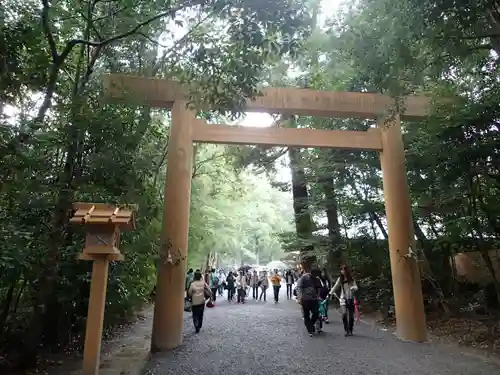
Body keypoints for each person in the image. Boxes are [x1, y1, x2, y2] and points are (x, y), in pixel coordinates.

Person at [329, 265, 358, 337]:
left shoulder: (351, 278)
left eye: (344, 270)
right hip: (343, 298)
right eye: (341, 270)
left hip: (350, 298)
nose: (343, 271)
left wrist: (353, 288)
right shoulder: (340, 279)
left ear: (347, 271)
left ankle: (350, 330)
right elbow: (335, 286)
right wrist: (330, 294)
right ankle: (346, 330)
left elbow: (356, 287)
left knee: (351, 316)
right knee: (344, 314)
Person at [296, 267, 322, 337]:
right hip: (305, 299)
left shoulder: (317, 279)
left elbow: (319, 288)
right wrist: (299, 297)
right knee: (306, 314)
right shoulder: (304, 278)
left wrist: (318, 296)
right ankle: (310, 329)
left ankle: (311, 324)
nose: (317, 275)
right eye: (316, 274)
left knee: (316, 313)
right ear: (312, 273)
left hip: (314, 299)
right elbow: (299, 287)